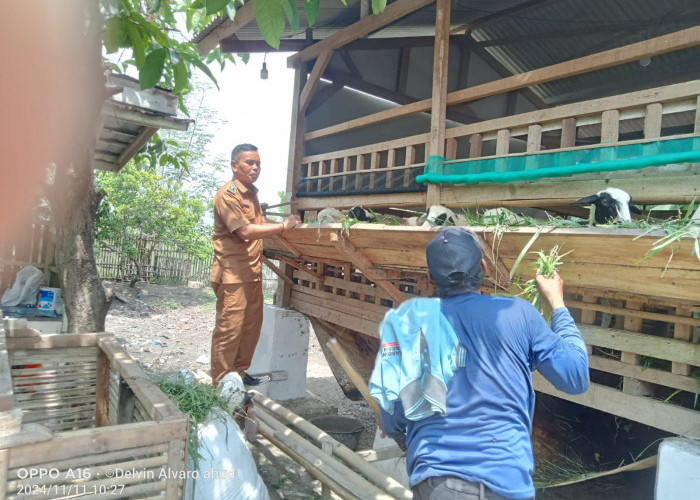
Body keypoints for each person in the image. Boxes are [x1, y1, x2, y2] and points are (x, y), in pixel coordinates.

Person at [369, 227, 589, 500]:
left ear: (429, 277)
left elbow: (393, 421)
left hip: (440, 486)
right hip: (507, 485)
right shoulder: (519, 314)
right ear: (484, 267)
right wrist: (557, 303)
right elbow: (575, 377)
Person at [210, 143, 300, 387]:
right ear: (234, 165)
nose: (255, 167)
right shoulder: (227, 195)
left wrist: (293, 228)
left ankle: (238, 374)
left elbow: (260, 221)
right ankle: (220, 383)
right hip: (232, 275)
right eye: (249, 162)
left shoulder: (251, 194)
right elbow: (246, 231)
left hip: (251, 273)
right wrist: (283, 227)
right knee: (229, 330)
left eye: (258, 163)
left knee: (250, 328)